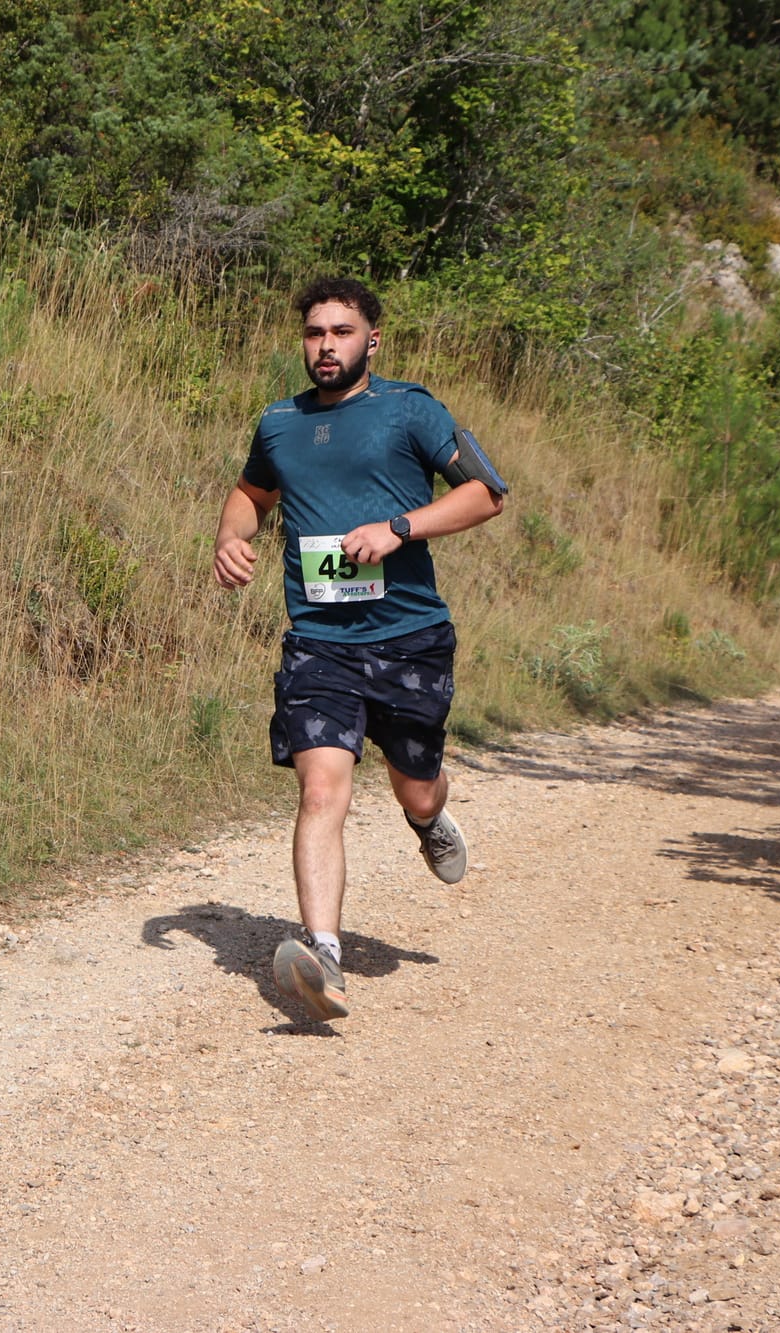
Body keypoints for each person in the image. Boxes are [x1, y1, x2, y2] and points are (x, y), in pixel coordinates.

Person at [213, 276, 506, 1021]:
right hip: (319, 643)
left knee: (414, 784)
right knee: (321, 790)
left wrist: (398, 529)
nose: (326, 346)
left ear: (371, 339)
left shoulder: (410, 410)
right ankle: (324, 958)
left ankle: (427, 818)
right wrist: (230, 537)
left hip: (408, 637)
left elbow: (486, 494)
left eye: (341, 332)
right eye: (314, 333)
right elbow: (251, 494)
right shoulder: (279, 422)